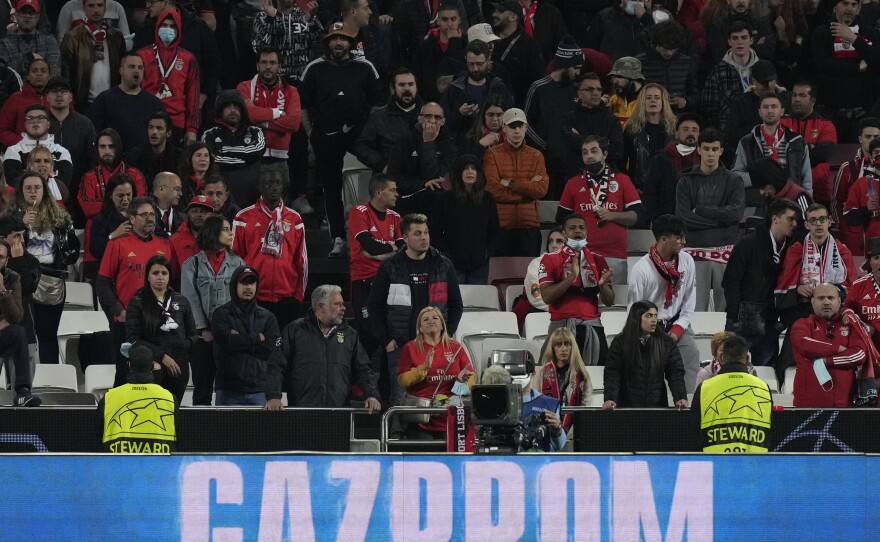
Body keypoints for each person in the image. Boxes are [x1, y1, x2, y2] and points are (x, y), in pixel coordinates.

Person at [300, 22, 383, 257]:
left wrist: (370, 134)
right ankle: (338, 237)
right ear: (327, 42)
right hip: (326, 134)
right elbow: (303, 106)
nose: (338, 43)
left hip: (359, 133)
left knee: (379, 173)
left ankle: (376, 231)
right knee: (331, 189)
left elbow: (378, 105)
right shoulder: (314, 69)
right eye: (333, 39)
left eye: (342, 38)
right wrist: (310, 134)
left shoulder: (365, 67)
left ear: (350, 41)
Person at [366, 213, 464, 412]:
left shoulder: (443, 264)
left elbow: (456, 304)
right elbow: (374, 306)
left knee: (437, 396)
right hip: (402, 346)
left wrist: (448, 333)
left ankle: (436, 438)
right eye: (418, 233)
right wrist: (385, 340)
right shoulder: (390, 266)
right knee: (400, 399)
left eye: (426, 232)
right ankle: (396, 438)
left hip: (435, 344)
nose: (424, 238)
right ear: (405, 237)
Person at [265, 283, 381, 411]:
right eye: (337, 304)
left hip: (339, 413)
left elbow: (364, 369)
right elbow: (276, 365)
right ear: (321, 307)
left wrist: (371, 395)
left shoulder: (350, 335)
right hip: (301, 412)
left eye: (342, 304)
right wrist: (273, 396)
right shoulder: (294, 330)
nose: (343, 308)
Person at [96, 196, 172, 386]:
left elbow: (173, 283)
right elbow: (102, 282)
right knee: (124, 373)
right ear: (131, 218)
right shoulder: (118, 243)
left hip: (157, 320)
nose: (150, 218)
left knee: (157, 373)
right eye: (144, 214)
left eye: (152, 214)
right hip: (128, 322)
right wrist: (118, 311)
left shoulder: (164, 245)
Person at [627, 214, 701, 392]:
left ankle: (687, 403)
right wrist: (643, 334)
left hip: (677, 322)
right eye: (679, 237)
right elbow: (634, 309)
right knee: (650, 367)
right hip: (651, 326)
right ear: (664, 239)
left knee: (692, 354)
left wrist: (678, 328)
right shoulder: (641, 269)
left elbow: (690, 300)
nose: (684, 242)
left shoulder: (687, 261)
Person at [723, 197, 799, 366]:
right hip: (742, 319)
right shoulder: (747, 243)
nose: (795, 224)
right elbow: (730, 280)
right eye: (790, 219)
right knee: (733, 368)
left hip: (770, 322)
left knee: (766, 374)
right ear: (775, 218)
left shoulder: (792, 249)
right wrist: (735, 315)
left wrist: (781, 323)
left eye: (796, 220)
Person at [675, 128, 745, 312]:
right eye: (706, 149)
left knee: (725, 311)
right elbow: (684, 218)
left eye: (715, 149)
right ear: (698, 149)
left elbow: (736, 214)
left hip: (726, 253)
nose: (710, 154)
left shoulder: (734, 180)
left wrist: (701, 210)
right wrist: (721, 223)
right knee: (694, 310)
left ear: (721, 150)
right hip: (694, 253)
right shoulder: (685, 181)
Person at [12, 172, 78, 365]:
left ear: (44, 191)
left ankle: (51, 377)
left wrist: (65, 251)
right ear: (21, 191)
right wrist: (21, 226)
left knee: (48, 334)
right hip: (21, 278)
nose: (33, 192)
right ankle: (23, 381)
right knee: (23, 334)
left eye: (37, 188)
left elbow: (72, 251)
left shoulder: (61, 218)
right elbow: (4, 249)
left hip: (50, 278)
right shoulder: (11, 217)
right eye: (28, 188)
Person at [556, 135, 641, 282]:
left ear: (605, 154)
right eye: (585, 152)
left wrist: (614, 215)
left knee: (613, 302)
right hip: (580, 254)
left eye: (594, 151)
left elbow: (637, 216)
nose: (589, 156)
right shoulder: (573, 183)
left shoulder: (622, 180)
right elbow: (561, 219)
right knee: (582, 302)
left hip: (614, 255)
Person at [232, 166, 308, 330]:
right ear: (260, 187)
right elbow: (234, 259)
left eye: (277, 183)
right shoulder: (243, 217)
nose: (273, 187)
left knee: (286, 349)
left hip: (287, 298)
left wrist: (298, 296)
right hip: (253, 296)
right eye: (268, 184)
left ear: (283, 187)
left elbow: (301, 261)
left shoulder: (295, 219)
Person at [181, 214, 246, 406]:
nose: (230, 233)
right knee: (202, 388)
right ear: (213, 231)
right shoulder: (191, 265)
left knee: (228, 388)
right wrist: (203, 329)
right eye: (225, 229)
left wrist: (233, 328)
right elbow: (189, 299)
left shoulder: (238, 263)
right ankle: (202, 431)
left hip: (230, 335)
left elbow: (243, 299)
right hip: (203, 339)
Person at [538, 213, 614, 364]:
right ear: (564, 234)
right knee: (554, 379)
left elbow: (610, 301)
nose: (578, 231)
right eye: (572, 228)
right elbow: (546, 296)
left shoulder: (598, 260)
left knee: (596, 378)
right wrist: (571, 278)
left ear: (586, 232)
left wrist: (603, 285)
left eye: (581, 228)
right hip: (561, 328)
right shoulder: (551, 259)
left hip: (592, 326)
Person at [125, 255, 197, 405]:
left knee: (173, 411)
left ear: (170, 277)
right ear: (148, 277)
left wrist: (184, 351)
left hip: (179, 366)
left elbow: (193, 334)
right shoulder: (137, 302)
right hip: (152, 367)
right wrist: (162, 356)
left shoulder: (181, 301)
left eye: (164, 273)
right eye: (155, 273)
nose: (160, 277)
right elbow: (133, 339)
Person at [203, 265, 278, 406]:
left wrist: (238, 341)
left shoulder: (268, 317)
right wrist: (257, 338)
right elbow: (227, 344)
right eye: (243, 283)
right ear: (234, 285)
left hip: (259, 390)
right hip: (228, 390)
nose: (248, 287)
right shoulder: (221, 314)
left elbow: (270, 350)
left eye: (252, 283)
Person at [791, 283, 874, 407]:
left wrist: (826, 361)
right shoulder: (801, 324)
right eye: (821, 298)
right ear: (812, 302)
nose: (826, 302)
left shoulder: (851, 325)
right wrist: (837, 348)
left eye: (831, 298)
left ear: (839, 301)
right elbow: (804, 344)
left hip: (843, 407)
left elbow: (858, 355)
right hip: (806, 407)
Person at [347, 173, 402, 359]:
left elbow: (402, 249)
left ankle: (386, 386)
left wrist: (380, 254)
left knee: (391, 335)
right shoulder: (359, 212)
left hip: (389, 280)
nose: (397, 194)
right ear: (379, 192)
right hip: (364, 281)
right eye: (392, 190)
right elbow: (368, 245)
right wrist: (391, 248)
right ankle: (357, 383)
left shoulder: (395, 217)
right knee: (369, 335)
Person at [397, 305, 473, 439]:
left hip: (450, 415)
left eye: (435, 318)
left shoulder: (455, 347)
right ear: (420, 328)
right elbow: (402, 380)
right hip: (421, 417)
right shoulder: (410, 348)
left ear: (442, 325)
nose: (431, 321)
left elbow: (471, 377)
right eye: (425, 319)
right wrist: (424, 367)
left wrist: (461, 381)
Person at [776, 203, 855, 332]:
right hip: (803, 312)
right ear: (807, 225)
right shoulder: (795, 250)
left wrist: (830, 292)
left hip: (835, 313)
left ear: (829, 222)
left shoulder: (843, 251)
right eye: (813, 220)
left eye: (822, 219)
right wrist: (798, 288)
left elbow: (852, 287)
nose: (818, 224)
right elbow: (785, 283)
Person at [811, 0, 880, 143]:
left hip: (863, 112)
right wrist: (857, 68)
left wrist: (853, 39)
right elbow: (825, 66)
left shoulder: (870, 33)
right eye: (845, 3)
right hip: (831, 112)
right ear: (835, 6)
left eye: (854, 5)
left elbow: (877, 59)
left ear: (859, 8)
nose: (849, 8)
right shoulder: (821, 32)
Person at [523, 35, 583, 198]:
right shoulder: (539, 88)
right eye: (576, 68)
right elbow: (525, 124)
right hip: (546, 163)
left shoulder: (578, 90)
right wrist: (545, 147)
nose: (578, 73)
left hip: (574, 162)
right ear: (564, 65)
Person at [484, 107, 548, 256]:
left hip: (529, 226)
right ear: (504, 128)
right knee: (500, 275)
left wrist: (512, 184)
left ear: (526, 127)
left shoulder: (537, 155)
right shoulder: (492, 154)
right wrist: (527, 192)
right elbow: (492, 189)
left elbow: (541, 189)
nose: (517, 130)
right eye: (512, 126)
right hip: (501, 226)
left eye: (520, 125)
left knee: (528, 276)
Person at [692, 334, 772, 452]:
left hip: (715, 463)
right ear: (747, 359)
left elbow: (693, 429)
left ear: (722, 357)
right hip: (755, 464)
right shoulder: (763, 387)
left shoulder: (704, 387)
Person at [237, 47, 301, 191]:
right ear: (257, 65)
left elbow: (294, 123)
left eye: (272, 62)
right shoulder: (244, 87)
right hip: (250, 156)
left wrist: (262, 121)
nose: (268, 66)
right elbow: (249, 114)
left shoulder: (291, 91)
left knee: (278, 207)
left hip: (280, 158)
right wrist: (277, 112)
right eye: (264, 62)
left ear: (279, 65)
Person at [603, 300, 688, 408]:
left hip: (657, 409)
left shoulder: (666, 342)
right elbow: (612, 373)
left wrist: (680, 397)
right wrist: (610, 398)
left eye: (655, 316)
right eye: (648, 316)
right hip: (626, 409)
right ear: (637, 318)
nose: (653, 320)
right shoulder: (620, 341)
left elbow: (675, 373)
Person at [430, 154, 499, 285]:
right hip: (453, 264)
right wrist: (446, 254)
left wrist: (487, 252)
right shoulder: (446, 198)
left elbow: (494, 229)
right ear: (459, 173)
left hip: (480, 264)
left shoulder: (488, 198)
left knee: (477, 302)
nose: (470, 172)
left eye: (473, 168)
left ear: (479, 173)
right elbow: (434, 229)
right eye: (465, 168)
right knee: (454, 303)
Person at [384, 101, 457, 220]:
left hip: (434, 197)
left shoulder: (449, 146)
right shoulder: (404, 141)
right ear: (419, 118)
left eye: (437, 117)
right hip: (406, 196)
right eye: (428, 116)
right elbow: (394, 178)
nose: (432, 121)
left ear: (443, 122)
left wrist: (428, 143)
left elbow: (434, 177)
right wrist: (422, 184)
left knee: (438, 195)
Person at [136, 8, 200, 144]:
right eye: (164, 25)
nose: (168, 29)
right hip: (146, 120)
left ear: (178, 30)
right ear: (157, 27)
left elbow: (193, 97)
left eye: (172, 26)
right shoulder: (142, 55)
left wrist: (192, 129)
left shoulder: (188, 58)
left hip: (176, 122)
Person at [99, 344, 176, 453]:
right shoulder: (170, 398)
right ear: (152, 367)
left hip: (117, 466)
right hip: (159, 466)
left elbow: (98, 436)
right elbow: (179, 439)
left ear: (129, 365)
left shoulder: (109, 397)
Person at [732, 93, 812, 194]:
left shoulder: (797, 141)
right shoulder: (746, 142)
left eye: (774, 107)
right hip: (759, 202)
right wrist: (757, 179)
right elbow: (735, 177)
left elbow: (807, 180)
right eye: (765, 107)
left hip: (790, 203)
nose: (770, 110)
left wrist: (806, 200)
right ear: (759, 112)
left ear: (782, 111)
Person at [353, 68, 422, 179]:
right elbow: (361, 146)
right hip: (389, 181)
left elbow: (446, 146)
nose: (407, 89)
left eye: (410, 84)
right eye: (401, 85)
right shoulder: (378, 116)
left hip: (423, 180)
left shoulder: (430, 114)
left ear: (416, 87)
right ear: (392, 88)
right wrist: (382, 165)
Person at [481, 362, 566, 452]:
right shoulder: (493, 403)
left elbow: (560, 446)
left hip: (537, 461)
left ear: (533, 373)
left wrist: (557, 429)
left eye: (521, 373)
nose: (518, 378)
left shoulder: (548, 404)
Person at [89, 53, 166, 153]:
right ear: (121, 71)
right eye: (131, 67)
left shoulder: (154, 103)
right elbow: (94, 134)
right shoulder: (105, 99)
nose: (136, 71)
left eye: (140, 68)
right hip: (114, 160)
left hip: (145, 162)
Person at [440, 40, 513, 145]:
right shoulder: (454, 89)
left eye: (479, 64)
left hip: (495, 147)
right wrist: (459, 113)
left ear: (488, 60)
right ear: (466, 59)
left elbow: (511, 119)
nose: (475, 69)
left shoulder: (499, 88)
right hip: (462, 148)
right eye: (471, 64)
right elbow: (441, 122)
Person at [59, 0, 126, 113]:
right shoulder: (72, 38)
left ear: (105, 8)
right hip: (83, 104)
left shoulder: (117, 36)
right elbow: (66, 75)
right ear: (84, 9)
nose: (96, 10)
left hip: (112, 102)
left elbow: (122, 72)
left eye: (99, 5)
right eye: (91, 6)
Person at [202, 90, 266, 207]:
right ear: (220, 110)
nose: (233, 110)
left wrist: (225, 150)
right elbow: (212, 158)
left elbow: (258, 150)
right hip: (220, 198)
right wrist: (243, 161)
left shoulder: (255, 132)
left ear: (242, 110)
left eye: (236, 106)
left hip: (250, 195)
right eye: (228, 106)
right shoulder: (209, 134)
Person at [779, 81, 838, 207]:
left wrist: (793, 151)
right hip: (786, 193)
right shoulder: (781, 123)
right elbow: (777, 152)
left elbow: (822, 154)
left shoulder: (825, 125)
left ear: (812, 101)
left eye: (802, 95)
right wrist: (809, 147)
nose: (797, 99)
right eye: (794, 95)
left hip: (820, 195)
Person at [78, 128, 147, 234]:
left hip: (130, 233)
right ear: (97, 149)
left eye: (111, 146)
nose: (107, 151)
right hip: (97, 234)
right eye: (102, 147)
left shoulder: (135, 175)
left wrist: (105, 205)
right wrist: (122, 204)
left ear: (119, 147)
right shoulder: (88, 177)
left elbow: (139, 206)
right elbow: (88, 208)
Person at [641, 113, 701, 225]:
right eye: (685, 129)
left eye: (694, 130)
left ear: (699, 134)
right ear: (676, 134)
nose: (690, 133)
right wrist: (655, 220)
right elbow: (650, 194)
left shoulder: (704, 160)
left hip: (696, 223)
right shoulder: (660, 159)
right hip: (666, 222)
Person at [701, 21, 760, 134]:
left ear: (751, 40)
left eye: (744, 38)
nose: (739, 42)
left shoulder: (763, 68)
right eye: (735, 38)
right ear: (729, 41)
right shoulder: (718, 72)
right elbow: (710, 111)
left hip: (759, 134)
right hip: (728, 135)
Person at [561, 72, 624, 178]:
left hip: (607, 179)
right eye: (590, 89)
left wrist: (581, 140)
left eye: (599, 89)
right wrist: (604, 143)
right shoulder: (569, 119)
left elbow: (618, 151)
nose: (595, 93)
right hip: (576, 177)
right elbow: (568, 146)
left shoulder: (612, 120)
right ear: (579, 94)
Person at [0, 237, 39, 406]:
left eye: (0, 257)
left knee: (18, 332)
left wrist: (3, 291)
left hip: (4, 334)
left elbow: (17, 317)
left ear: (6, 260)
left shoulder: (13, 278)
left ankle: (22, 392)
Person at [833, 117, 880, 252]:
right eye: (868, 136)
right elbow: (837, 202)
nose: (872, 140)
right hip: (855, 234)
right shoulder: (847, 168)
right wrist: (845, 229)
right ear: (860, 139)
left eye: (876, 136)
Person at [0, 215, 40, 373]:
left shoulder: (31, 262)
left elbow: (27, 288)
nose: (22, 240)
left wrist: (17, 262)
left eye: (23, 235)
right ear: (3, 238)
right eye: (16, 236)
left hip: (25, 329)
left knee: (23, 387)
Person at [251, 0, 323, 84]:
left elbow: (321, 44)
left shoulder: (306, 15)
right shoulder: (262, 17)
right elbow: (259, 48)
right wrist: (271, 19)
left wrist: (311, 22)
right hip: (272, 80)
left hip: (302, 78)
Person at [636, 20, 700, 114]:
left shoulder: (687, 62)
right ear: (656, 43)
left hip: (678, 117)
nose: (669, 53)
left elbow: (696, 95)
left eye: (673, 49)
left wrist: (686, 101)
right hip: (648, 116)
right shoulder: (640, 62)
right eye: (665, 49)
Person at [724, 59, 785, 155]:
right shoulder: (741, 103)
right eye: (763, 82)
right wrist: (761, 130)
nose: (768, 86)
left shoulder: (786, 100)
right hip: (750, 155)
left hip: (781, 154)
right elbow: (731, 136)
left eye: (771, 81)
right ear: (753, 81)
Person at [489, 1, 544, 107]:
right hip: (489, 105)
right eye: (495, 10)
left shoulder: (530, 45)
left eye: (500, 11)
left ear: (513, 17)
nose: (494, 14)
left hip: (518, 105)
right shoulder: (487, 39)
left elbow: (536, 81)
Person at [3, 104, 73, 187]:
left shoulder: (62, 152)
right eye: (30, 118)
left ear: (48, 124)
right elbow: (14, 182)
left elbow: (62, 185)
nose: (35, 121)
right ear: (25, 124)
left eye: (40, 117)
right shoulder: (13, 151)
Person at [538, 326, 591, 431]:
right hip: (545, 430)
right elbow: (535, 404)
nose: (563, 349)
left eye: (567, 344)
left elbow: (585, 408)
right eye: (558, 344)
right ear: (552, 348)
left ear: (573, 347)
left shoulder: (581, 375)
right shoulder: (541, 373)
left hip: (574, 432)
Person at [85, 172, 134, 288]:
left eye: (129, 194)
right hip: (111, 272)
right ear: (110, 195)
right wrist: (113, 235)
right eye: (120, 196)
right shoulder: (101, 219)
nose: (126, 199)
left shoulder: (141, 216)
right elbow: (95, 250)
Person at [412, 4, 465, 103]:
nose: (449, 24)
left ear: (459, 20)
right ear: (438, 21)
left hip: (459, 101)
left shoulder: (467, 44)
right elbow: (418, 74)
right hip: (430, 100)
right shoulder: (426, 46)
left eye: (453, 19)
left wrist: (454, 42)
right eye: (445, 19)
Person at [0, 52, 48, 148]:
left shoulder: (58, 99)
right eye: (34, 71)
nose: (39, 74)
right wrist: (22, 143)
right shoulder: (15, 99)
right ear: (28, 76)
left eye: (43, 71)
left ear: (49, 76)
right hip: (21, 152)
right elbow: (2, 130)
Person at [124, 112, 181, 191]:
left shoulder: (179, 158)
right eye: (151, 127)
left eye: (159, 128)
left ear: (168, 133)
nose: (154, 132)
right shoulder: (135, 156)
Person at [704, 0, 775, 64]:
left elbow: (769, 52)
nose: (741, 1)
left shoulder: (761, 24)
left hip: (759, 74)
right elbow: (721, 58)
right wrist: (755, 47)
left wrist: (734, 49)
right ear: (728, 1)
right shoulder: (718, 26)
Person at [0, 0, 59, 76]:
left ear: (38, 17)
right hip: (16, 87)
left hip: (44, 87)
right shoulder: (4, 44)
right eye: (23, 12)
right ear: (16, 15)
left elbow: (55, 73)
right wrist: (26, 59)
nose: (27, 16)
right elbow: (3, 72)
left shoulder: (50, 42)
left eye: (31, 13)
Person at [584, 0, 654, 60]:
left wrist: (645, 19)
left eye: (640, 0)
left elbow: (657, 40)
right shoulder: (605, 16)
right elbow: (591, 44)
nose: (636, 4)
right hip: (612, 69)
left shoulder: (648, 19)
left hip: (641, 69)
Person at [845, 237, 880, 350]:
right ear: (869, 261)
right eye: (876, 258)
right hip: (866, 345)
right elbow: (847, 312)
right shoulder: (858, 286)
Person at [169, 195, 213, 277]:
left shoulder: (219, 239)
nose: (199, 215)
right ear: (188, 213)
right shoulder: (174, 241)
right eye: (194, 211)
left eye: (204, 212)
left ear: (212, 215)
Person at [605, 56, 646, 127]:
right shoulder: (613, 100)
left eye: (620, 77)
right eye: (614, 77)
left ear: (634, 78)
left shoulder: (649, 99)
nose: (615, 81)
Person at [151, 172, 184, 237]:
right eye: (177, 189)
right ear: (161, 189)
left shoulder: (184, 219)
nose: (181, 194)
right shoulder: (143, 216)